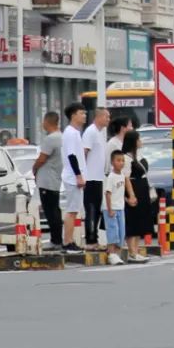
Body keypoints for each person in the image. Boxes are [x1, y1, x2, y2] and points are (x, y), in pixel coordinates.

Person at [31, 111, 64, 251]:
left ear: (47, 122)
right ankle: (57, 239)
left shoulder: (50, 139)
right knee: (55, 210)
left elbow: (42, 158)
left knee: (51, 212)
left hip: (47, 180)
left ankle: (55, 240)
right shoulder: (62, 137)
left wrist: (34, 167)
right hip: (55, 179)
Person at [59, 103, 87, 253]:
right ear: (73, 115)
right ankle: (67, 242)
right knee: (71, 211)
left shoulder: (75, 132)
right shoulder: (70, 133)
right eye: (81, 113)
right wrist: (78, 175)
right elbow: (71, 155)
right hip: (72, 177)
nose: (84, 116)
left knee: (74, 210)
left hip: (74, 177)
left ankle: (69, 241)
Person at [121, 130, 153, 262]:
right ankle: (131, 252)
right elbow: (125, 178)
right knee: (132, 222)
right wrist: (130, 196)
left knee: (141, 222)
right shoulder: (126, 158)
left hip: (143, 190)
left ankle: (136, 250)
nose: (141, 142)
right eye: (139, 139)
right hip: (134, 190)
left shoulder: (138, 156)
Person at [81, 108, 110, 250]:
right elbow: (84, 153)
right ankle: (90, 240)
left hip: (98, 178)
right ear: (98, 117)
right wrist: (83, 174)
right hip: (90, 178)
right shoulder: (91, 132)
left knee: (97, 210)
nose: (108, 119)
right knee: (91, 210)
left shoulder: (99, 133)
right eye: (106, 116)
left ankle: (94, 238)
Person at [103, 150, 133, 266]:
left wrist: (127, 200)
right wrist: (110, 209)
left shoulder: (122, 176)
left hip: (120, 207)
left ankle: (117, 254)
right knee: (113, 231)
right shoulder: (111, 177)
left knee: (121, 232)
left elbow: (119, 193)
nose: (121, 163)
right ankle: (111, 254)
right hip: (111, 209)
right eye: (118, 160)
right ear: (112, 162)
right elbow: (108, 194)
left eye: (122, 161)